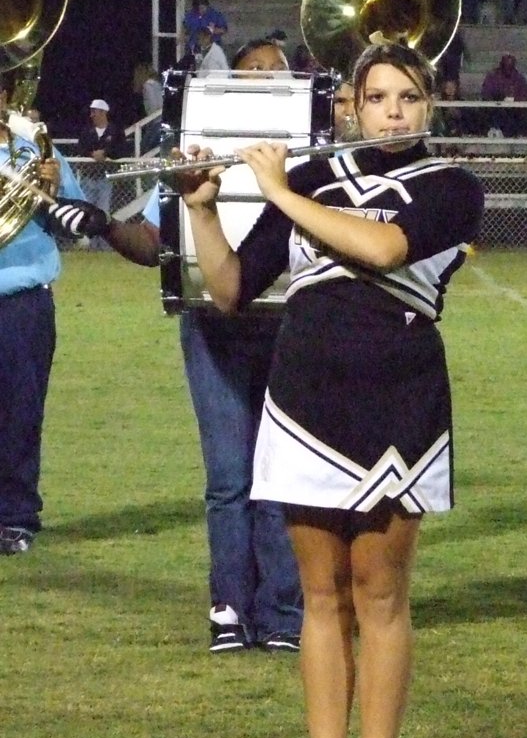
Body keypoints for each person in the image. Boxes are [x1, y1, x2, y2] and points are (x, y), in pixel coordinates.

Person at [174, 42, 484, 738]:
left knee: (380, 591)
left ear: (430, 105)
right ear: (351, 106)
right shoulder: (314, 177)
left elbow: (383, 247)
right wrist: (202, 206)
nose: (393, 113)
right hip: (305, 400)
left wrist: (278, 189)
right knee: (321, 594)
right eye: (377, 98)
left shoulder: (451, 185)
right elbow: (231, 288)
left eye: (408, 98)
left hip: (399, 400)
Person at [101, 38, 307, 652]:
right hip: (213, 325)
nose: (265, 78)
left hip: (289, 324)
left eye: (276, 70)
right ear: (229, 84)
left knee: (280, 474)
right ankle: (230, 607)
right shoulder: (200, 145)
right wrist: (103, 224)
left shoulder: (308, 151)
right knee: (228, 476)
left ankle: (281, 611)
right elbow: (154, 243)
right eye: (252, 71)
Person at [0, 102, 94, 555]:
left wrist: (53, 192)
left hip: (23, 301)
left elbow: (78, 223)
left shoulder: (36, 151)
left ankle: (15, 517)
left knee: (20, 414)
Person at [76, 98, 126, 245]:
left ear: (103, 113)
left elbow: (122, 149)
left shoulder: (116, 131)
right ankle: (89, 245)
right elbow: (80, 148)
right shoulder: (86, 131)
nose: (91, 115)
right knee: (87, 212)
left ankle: (103, 245)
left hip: (105, 178)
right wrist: (92, 154)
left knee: (103, 212)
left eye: (94, 112)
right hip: (88, 177)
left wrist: (105, 153)